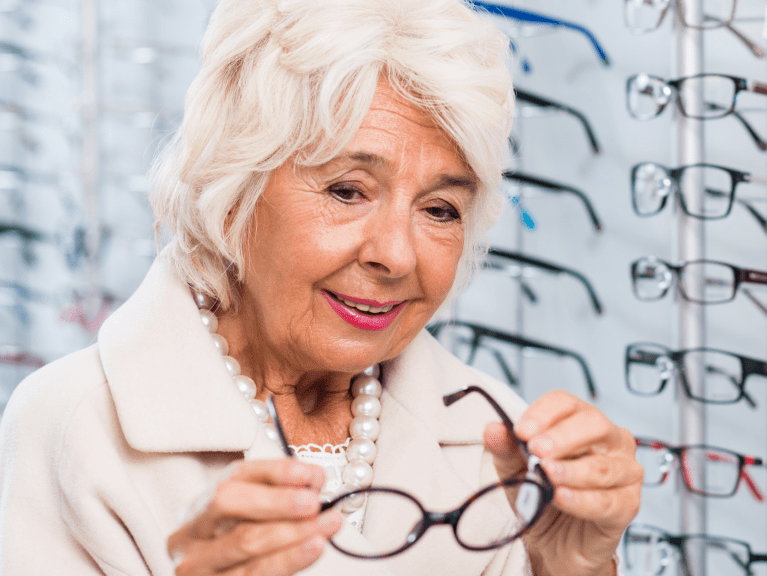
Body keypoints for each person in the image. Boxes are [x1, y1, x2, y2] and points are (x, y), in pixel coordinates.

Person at [0, 0, 643, 574]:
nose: (396, 255)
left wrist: (574, 572)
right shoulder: (75, 428)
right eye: (346, 190)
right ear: (234, 192)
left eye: (441, 209)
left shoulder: (488, 435)